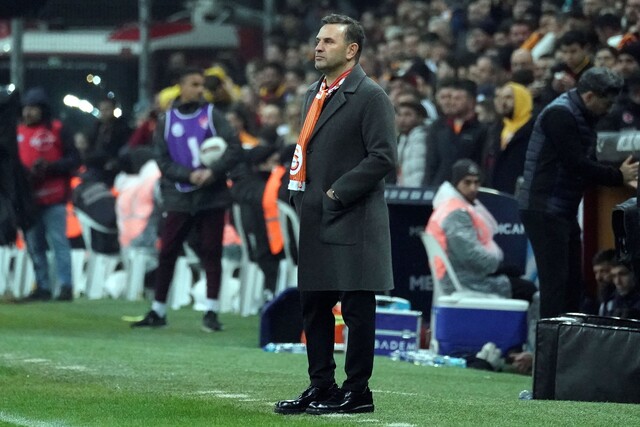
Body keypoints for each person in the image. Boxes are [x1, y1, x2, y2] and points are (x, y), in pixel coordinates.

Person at [274, 14, 396, 416]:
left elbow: (383, 157)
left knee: (357, 308)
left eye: (328, 41)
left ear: (351, 50)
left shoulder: (371, 95)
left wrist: (336, 193)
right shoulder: (314, 92)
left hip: (353, 215)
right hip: (316, 215)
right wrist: (302, 196)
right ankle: (321, 385)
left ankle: (358, 391)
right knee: (314, 304)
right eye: (318, 40)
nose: (318, 47)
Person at [518, 67, 639, 319]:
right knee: (556, 285)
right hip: (544, 209)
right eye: (606, 103)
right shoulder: (560, 115)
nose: (609, 110)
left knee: (572, 283)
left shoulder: (581, 116)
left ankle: (568, 337)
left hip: (561, 210)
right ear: (590, 96)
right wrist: (618, 176)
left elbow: (585, 164)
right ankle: (551, 341)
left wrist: (619, 177)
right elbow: (576, 164)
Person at [131, 67, 242, 331]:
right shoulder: (166, 120)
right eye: (194, 84)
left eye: (201, 85)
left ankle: (211, 311)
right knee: (168, 251)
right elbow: (162, 159)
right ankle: (158, 310)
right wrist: (188, 175)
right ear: (181, 87)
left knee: (211, 252)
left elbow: (234, 147)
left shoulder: (213, 115)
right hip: (178, 197)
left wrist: (212, 171)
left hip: (211, 195)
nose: (199, 89)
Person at [426, 159, 537, 302]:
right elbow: (472, 256)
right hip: (466, 281)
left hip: (464, 275)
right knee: (529, 290)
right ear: (456, 183)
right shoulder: (456, 214)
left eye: (476, 182)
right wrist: (500, 265)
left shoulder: (453, 206)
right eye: (467, 182)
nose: (473, 188)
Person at [17, 87, 80, 301]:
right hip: (29, 199)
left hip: (54, 197)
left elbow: (74, 160)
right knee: (35, 245)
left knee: (58, 241)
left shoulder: (57, 129)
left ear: (43, 109)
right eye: (26, 108)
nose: (28, 112)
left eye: (33, 108)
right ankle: (42, 286)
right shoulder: (17, 132)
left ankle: (65, 286)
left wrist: (50, 167)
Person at [482, 81, 534, 195]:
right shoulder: (496, 128)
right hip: (496, 192)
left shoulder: (534, 129)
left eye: (508, 97)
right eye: (500, 97)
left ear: (522, 99)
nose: (503, 102)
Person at [395, 101, 428, 187]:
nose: (402, 119)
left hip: (419, 189)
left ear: (419, 118)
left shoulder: (423, 137)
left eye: (408, 115)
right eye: (399, 115)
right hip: (405, 189)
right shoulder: (402, 139)